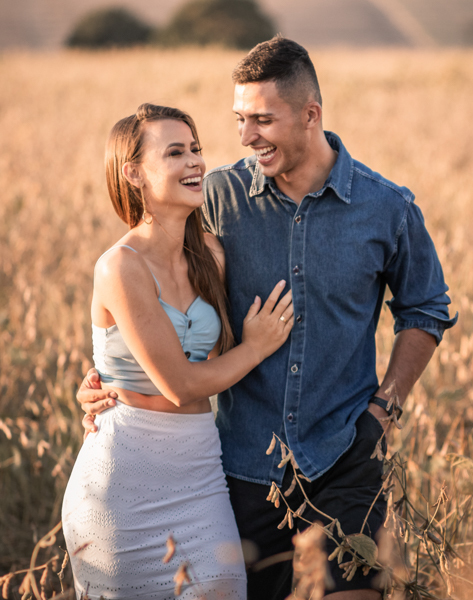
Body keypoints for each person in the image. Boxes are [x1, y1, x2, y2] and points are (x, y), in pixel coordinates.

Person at [78, 36, 457, 599]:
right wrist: (104, 381)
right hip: (235, 468)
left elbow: (426, 307)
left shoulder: (387, 207)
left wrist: (385, 408)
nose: (246, 136)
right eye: (238, 120)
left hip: (346, 454)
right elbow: (147, 281)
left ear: (311, 116)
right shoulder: (218, 197)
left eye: (262, 119)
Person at [63, 103, 296, 600]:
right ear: (134, 174)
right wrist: (256, 347)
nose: (194, 162)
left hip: (198, 471)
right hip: (123, 478)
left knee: (225, 589)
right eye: (174, 152)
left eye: (196, 149)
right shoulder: (119, 266)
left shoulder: (210, 254)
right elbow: (180, 384)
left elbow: (199, 359)